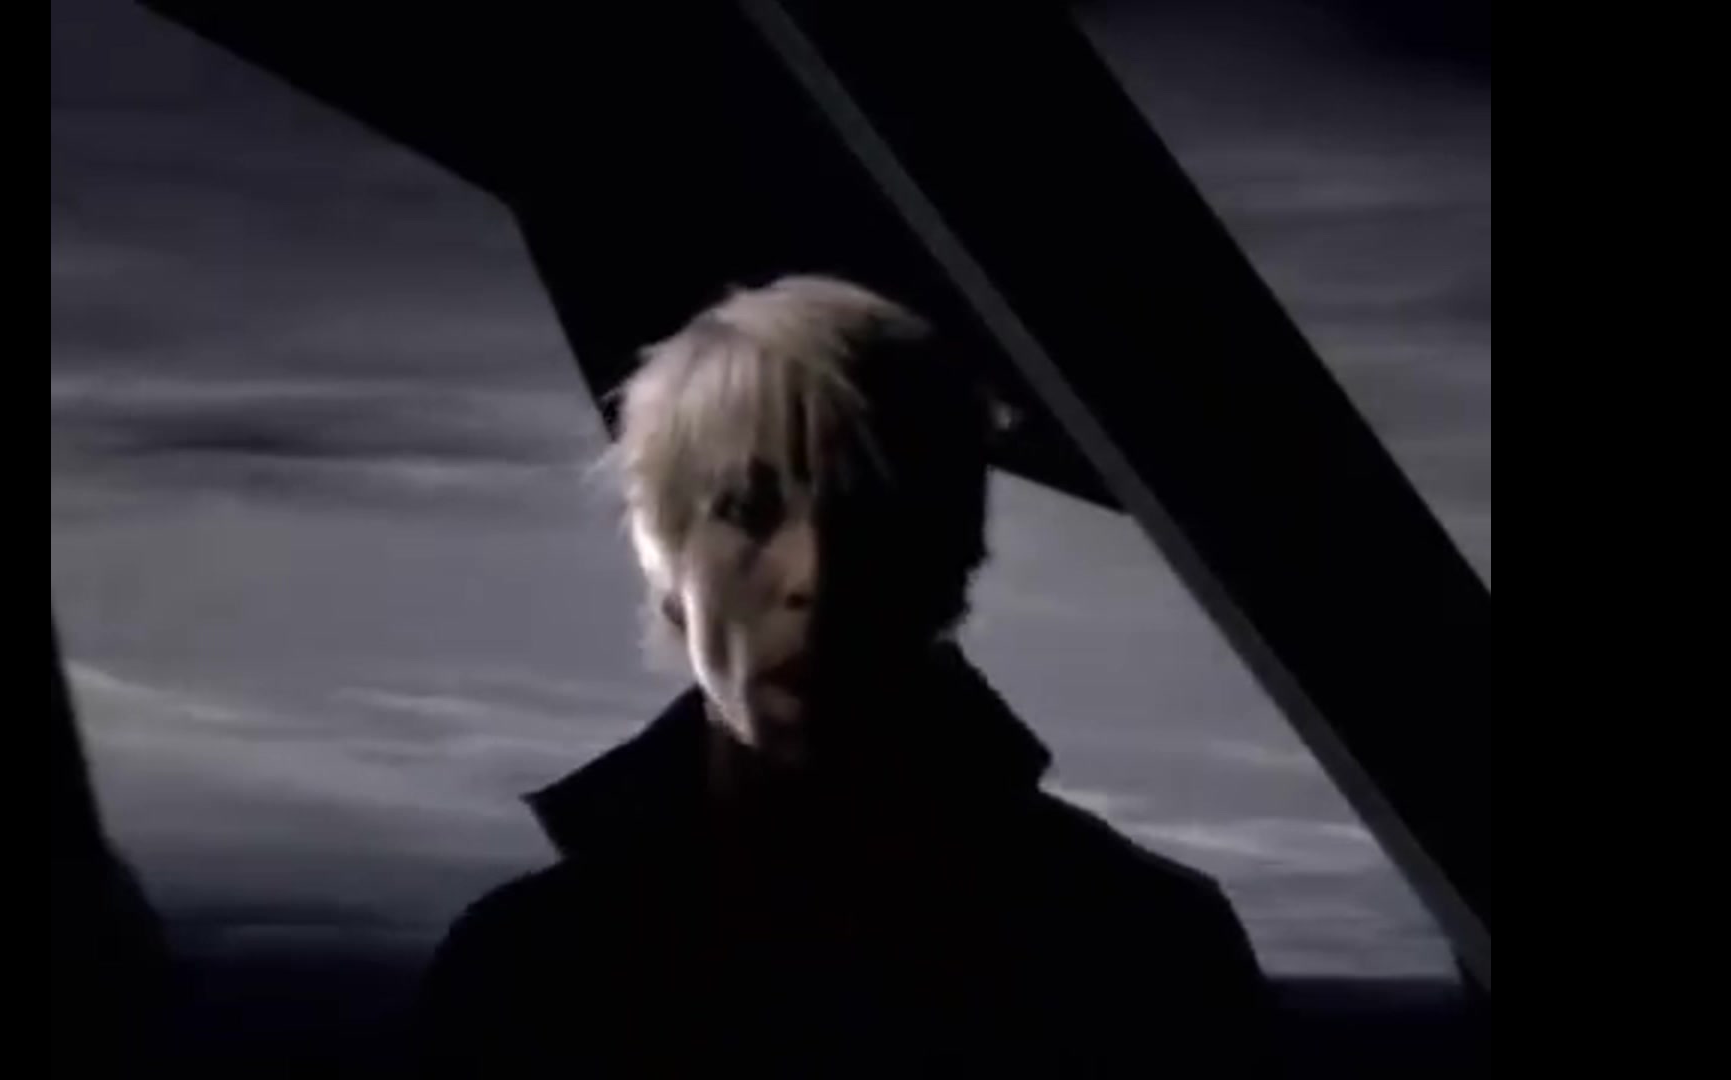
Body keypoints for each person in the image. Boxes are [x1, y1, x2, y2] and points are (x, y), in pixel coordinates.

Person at [414, 276, 1270, 1076]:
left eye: (872, 507)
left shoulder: (1145, 954)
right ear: (661, 555)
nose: (814, 575)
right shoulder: (526, 967)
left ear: (955, 553)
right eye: (747, 508)